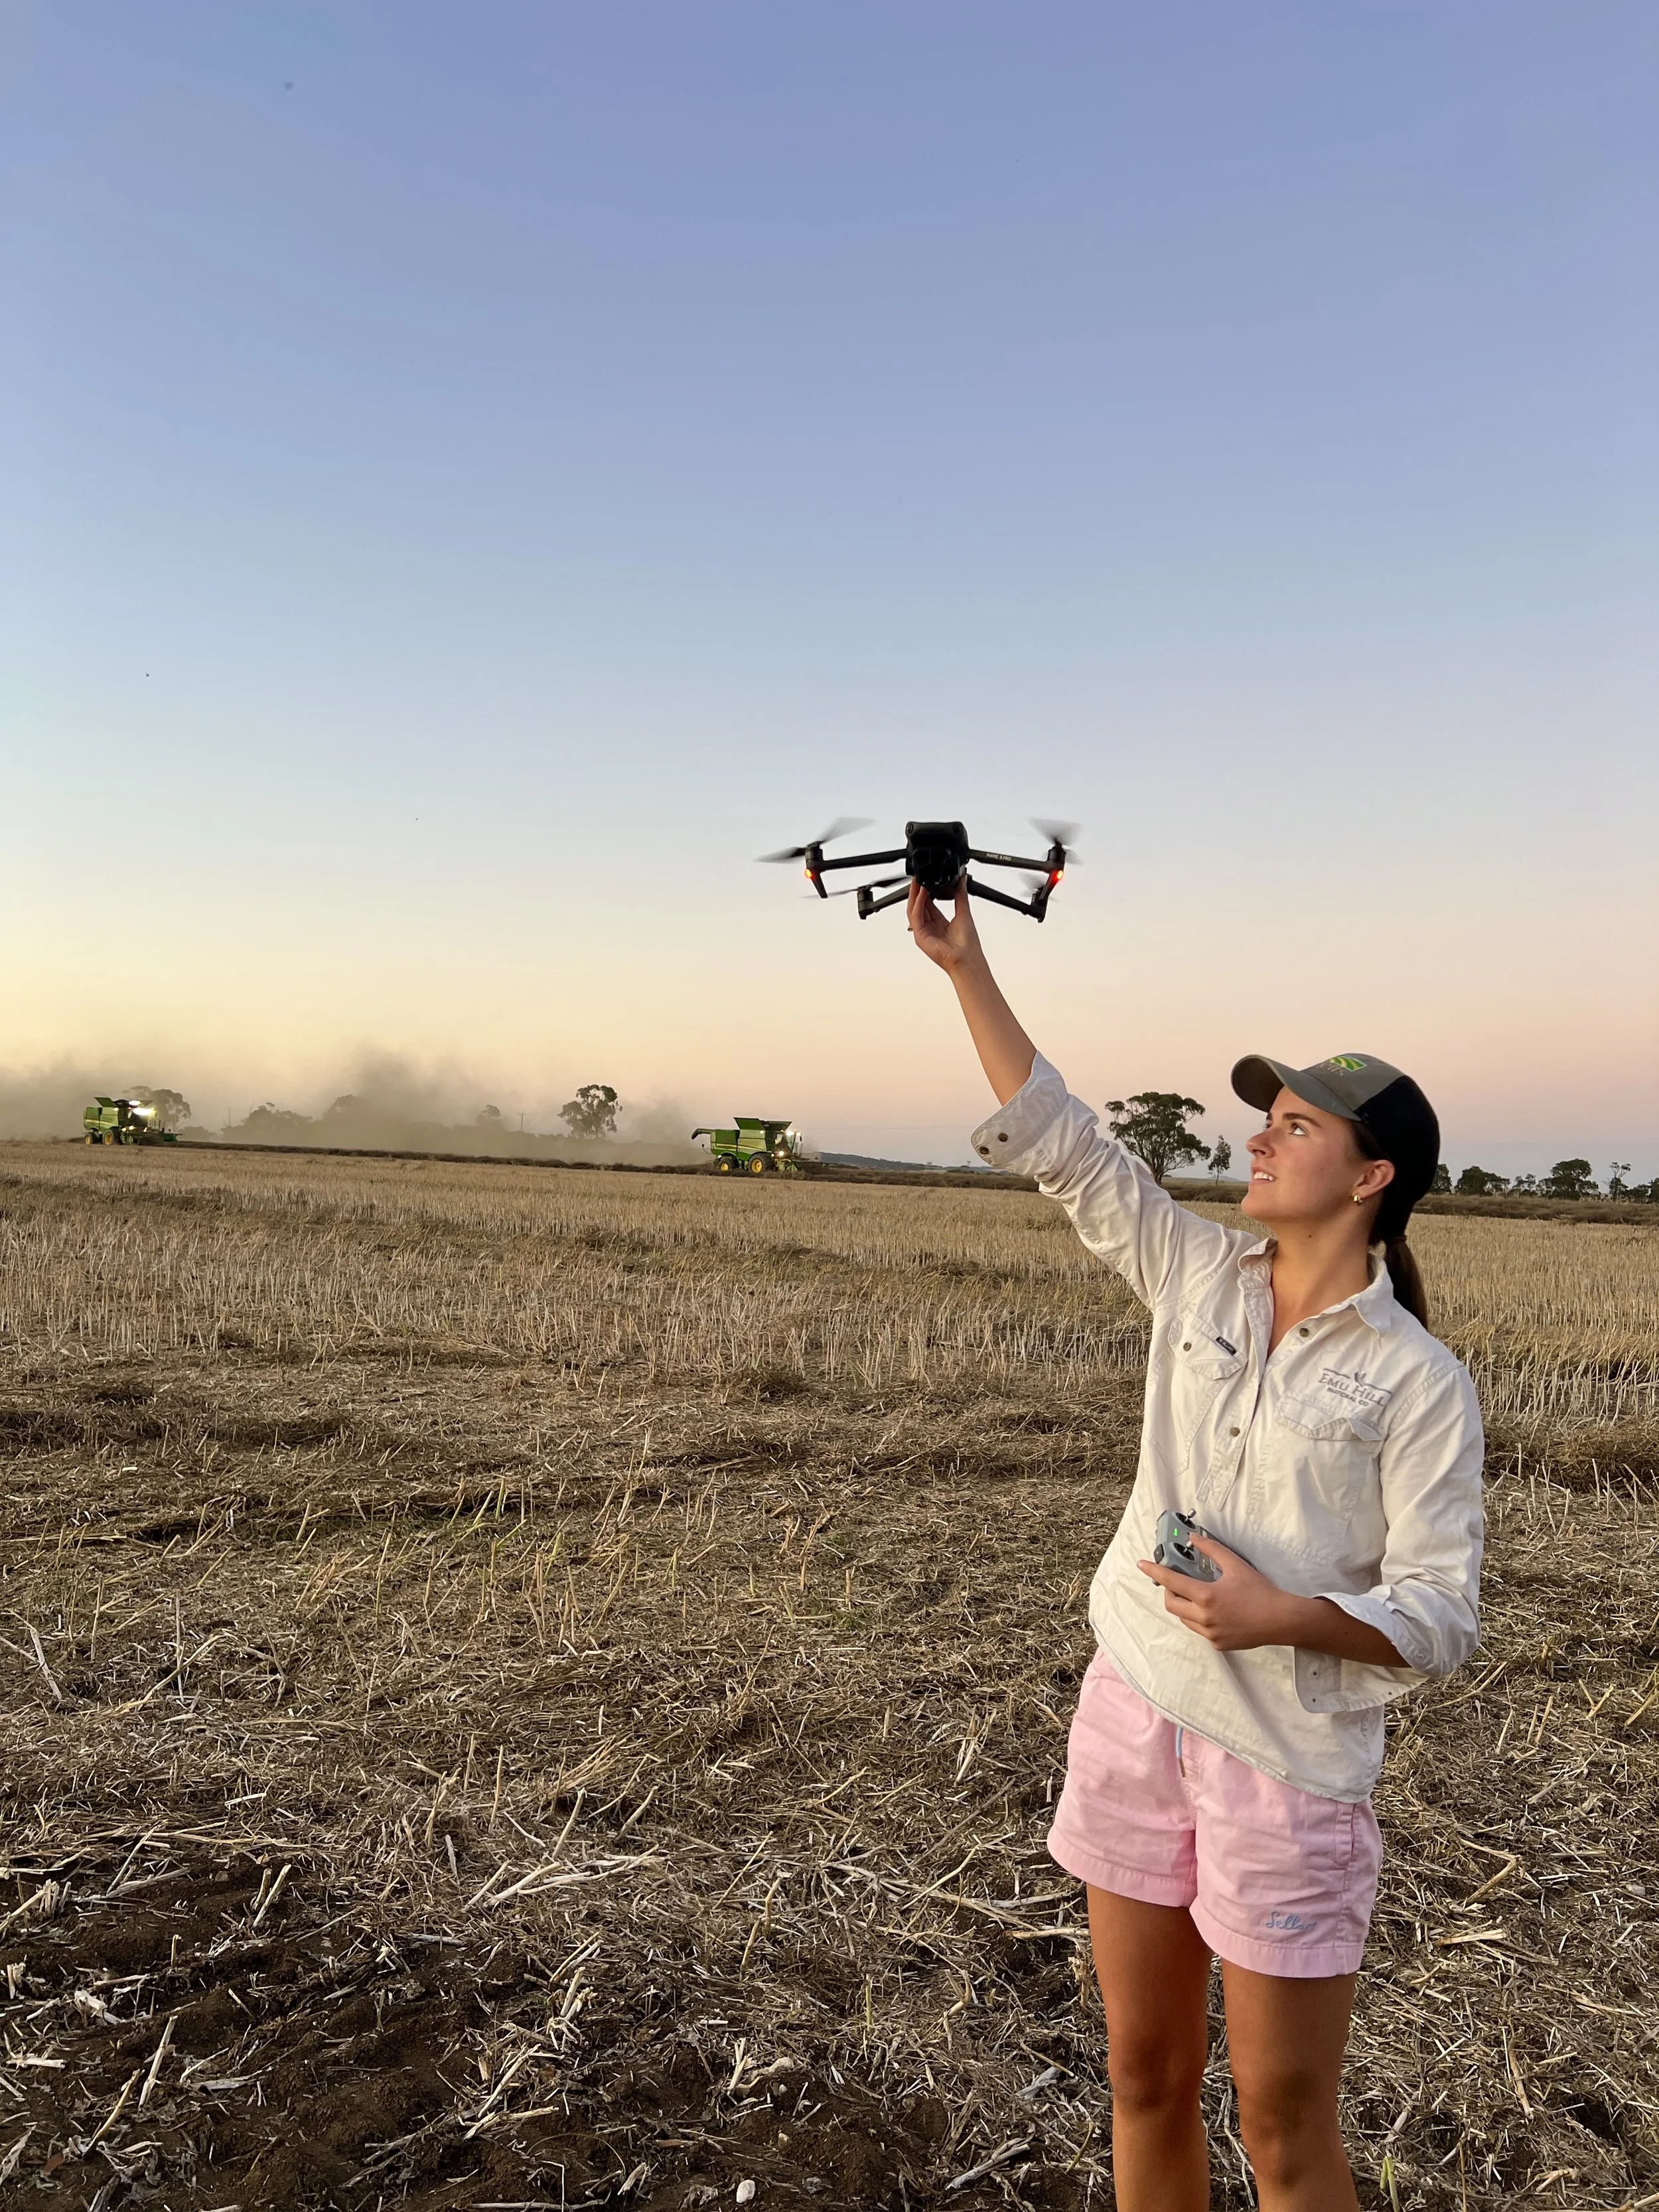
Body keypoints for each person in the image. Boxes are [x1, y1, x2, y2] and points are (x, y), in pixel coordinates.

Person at [908, 879, 1483, 2212]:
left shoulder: (1415, 1382)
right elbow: (1064, 1143)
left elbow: (1439, 1614)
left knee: (1283, 2135)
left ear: (1371, 1174)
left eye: (1293, 1125)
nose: (1258, 1138)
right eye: (1263, 1117)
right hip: (1133, 1714)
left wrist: (1278, 1614)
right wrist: (964, 968)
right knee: (1140, 2076)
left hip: (1284, 1771)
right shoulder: (1193, 1274)